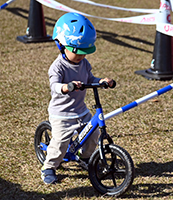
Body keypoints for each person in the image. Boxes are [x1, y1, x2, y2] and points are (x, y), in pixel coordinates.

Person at [41, 12, 114, 184]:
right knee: (60, 142)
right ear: (61, 45)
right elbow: (55, 86)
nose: (81, 56)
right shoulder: (57, 67)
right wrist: (67, 87)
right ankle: (49, 167)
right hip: (62, 113)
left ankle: (84, 156)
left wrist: (101, 81)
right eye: (78, 51)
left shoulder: (84, 63)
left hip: (80, 110)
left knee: (94, 133)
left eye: (85, 52)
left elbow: (90, 79)